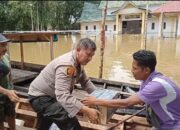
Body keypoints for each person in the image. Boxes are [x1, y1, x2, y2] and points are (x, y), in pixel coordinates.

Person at [82, 49, 180, 130]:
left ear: (146, 70)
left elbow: (126, 103)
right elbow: (140, 100)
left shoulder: (157, 85)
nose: (132, 71)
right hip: (162, 122)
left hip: (173, 125)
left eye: (135, 68)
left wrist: (96, 101)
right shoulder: (147, 79)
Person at [28, 38, 100, 130]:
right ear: (78, 50)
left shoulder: (79, 62)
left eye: (92, 56)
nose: (90, 59)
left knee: (44, 125)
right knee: (72, 126)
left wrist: (100, 98)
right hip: (40, 97)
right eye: (88, 55)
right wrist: (87, 110)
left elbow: (86, 82)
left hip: (51, 96)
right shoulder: (67, 64)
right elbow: (62, 95)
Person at [0, 34, 20, 130]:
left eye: (5, 45)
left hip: (7, 92)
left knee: (11, 114)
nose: (5, 48)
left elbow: (9, 75)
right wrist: (7, 92)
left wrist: (11, 88)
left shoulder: (6, 56)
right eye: (2, 45)